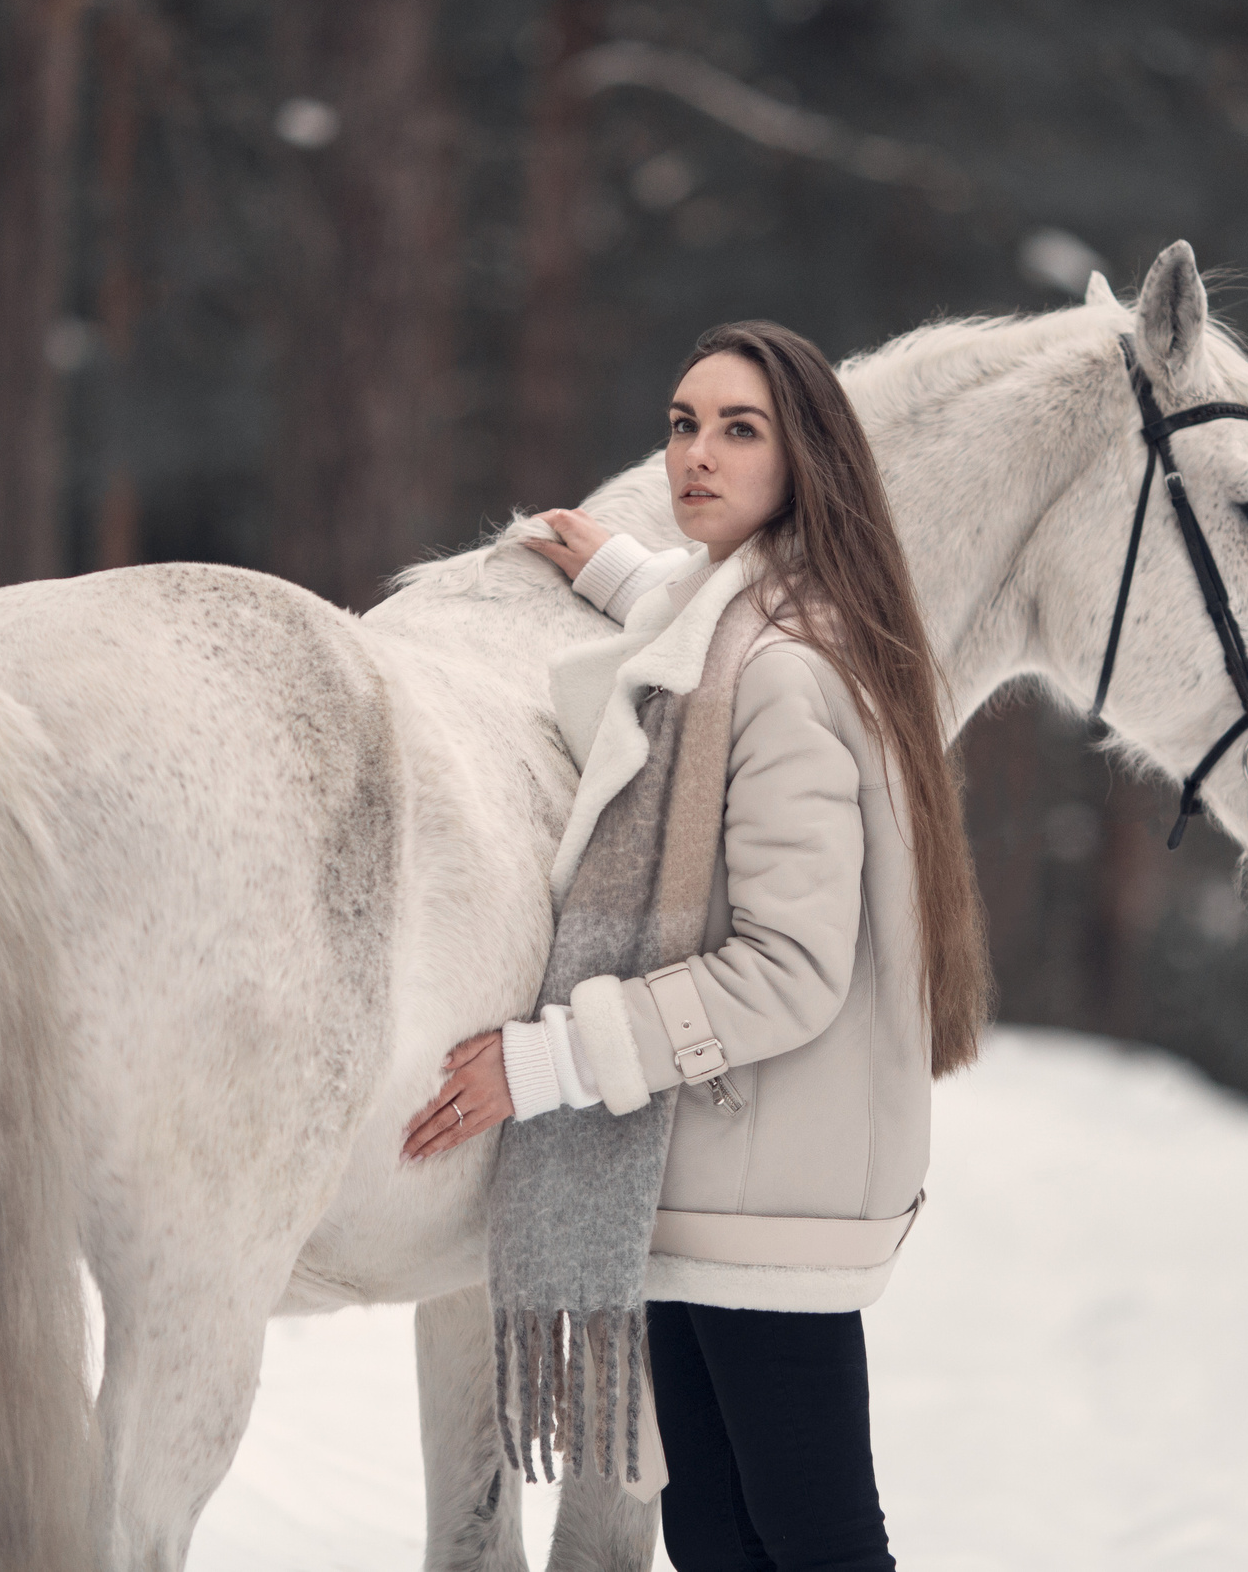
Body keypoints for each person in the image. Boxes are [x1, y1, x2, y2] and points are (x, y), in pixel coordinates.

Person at [401, 320, 991, 1572]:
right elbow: (701, 619)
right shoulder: (763, 622)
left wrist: (546, 1063)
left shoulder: (782, 674)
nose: (696, 456)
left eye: (739, 430)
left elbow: (788, 968)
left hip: (762, 1200)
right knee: (722, 1536)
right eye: (681, 424)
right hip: (709, 1177)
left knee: (813, 1541)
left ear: (808, 460)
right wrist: (622, 573)